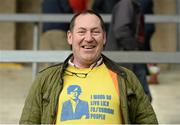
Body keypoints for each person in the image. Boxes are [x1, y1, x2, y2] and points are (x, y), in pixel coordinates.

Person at [19, 10, 158, 124]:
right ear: (70, 37)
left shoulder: (126, 77)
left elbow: (148, 121)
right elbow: (28, 122)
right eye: (81, 31)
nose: (89, 38)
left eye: (95, 32)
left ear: (104, 38)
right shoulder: (45, 79)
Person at [106, 0, 153, 101]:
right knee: (141, 99)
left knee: (140, 99)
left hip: (129, 57)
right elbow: (121, 30)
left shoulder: (131, 5)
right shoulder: (126, 4)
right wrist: (134, 49)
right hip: (127, 58)